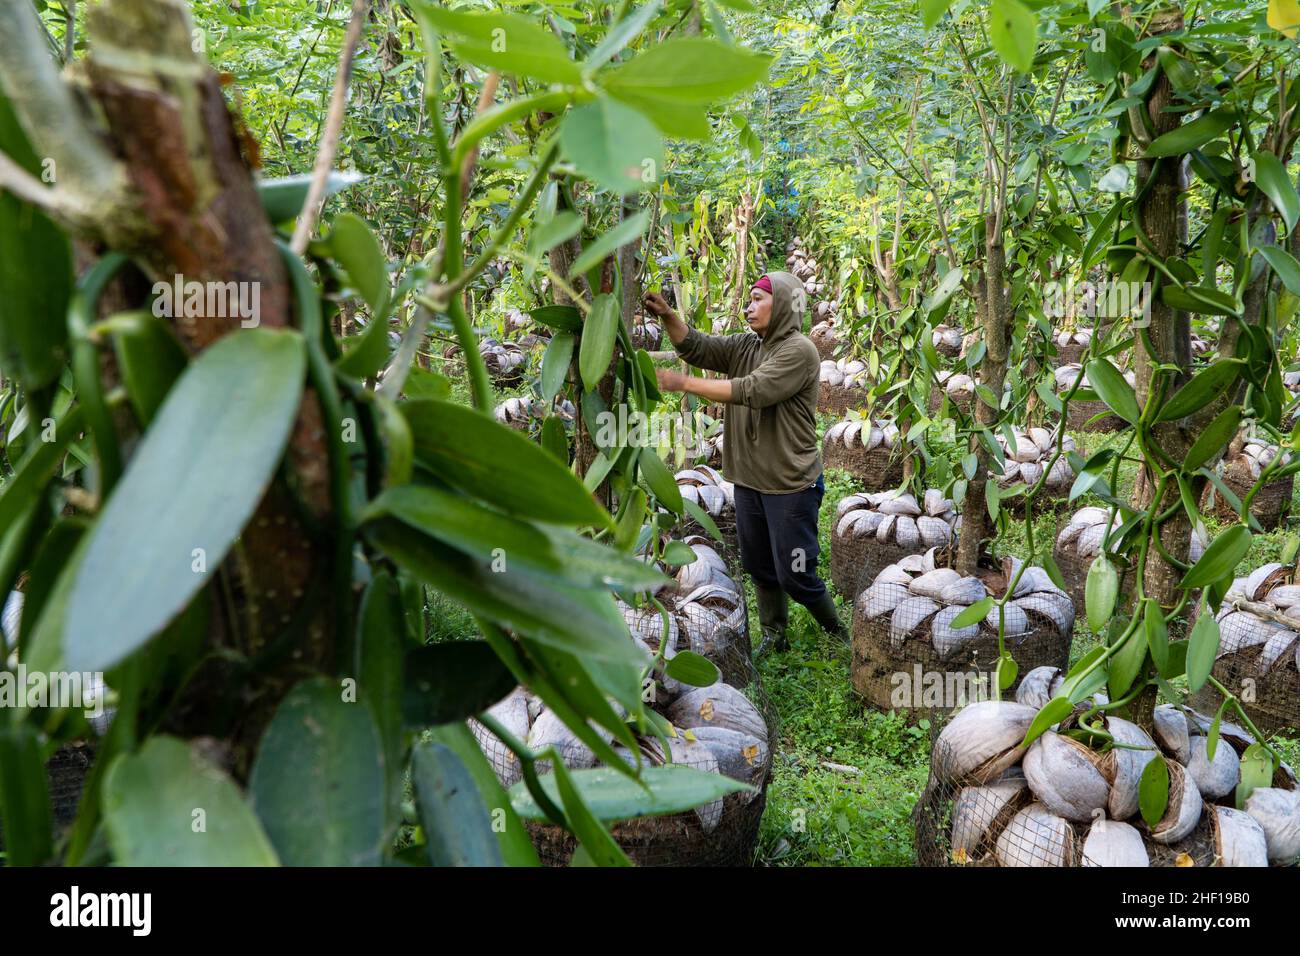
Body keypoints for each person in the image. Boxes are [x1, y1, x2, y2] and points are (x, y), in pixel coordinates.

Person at [645, 273, 844, 654]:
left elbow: (753, 391)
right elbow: (698, 348)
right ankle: (775, 634)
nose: (748, 306)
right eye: (748, 299)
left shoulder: (800, 351)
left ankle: (836, 632)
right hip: (750, 480)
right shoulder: (746, 346)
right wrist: (668, 315)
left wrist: (683, 384)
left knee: (796, 573)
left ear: (784, 305)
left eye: (757, 299)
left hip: (789, 484)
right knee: (759, 566)